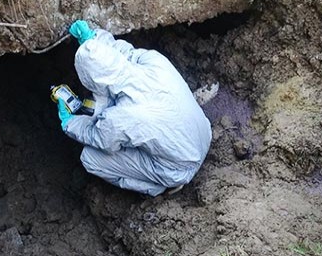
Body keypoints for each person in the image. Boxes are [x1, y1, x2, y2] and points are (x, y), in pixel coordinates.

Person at [54, 20, 212, 196]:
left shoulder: (121, 118)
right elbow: (125, 53)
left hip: (178, 171)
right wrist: (93, 40)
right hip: (204, 135)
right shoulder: (153, 61)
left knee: (90, 158)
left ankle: (156, 187)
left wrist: (70, 123)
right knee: (131, 131)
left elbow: (100, 140)